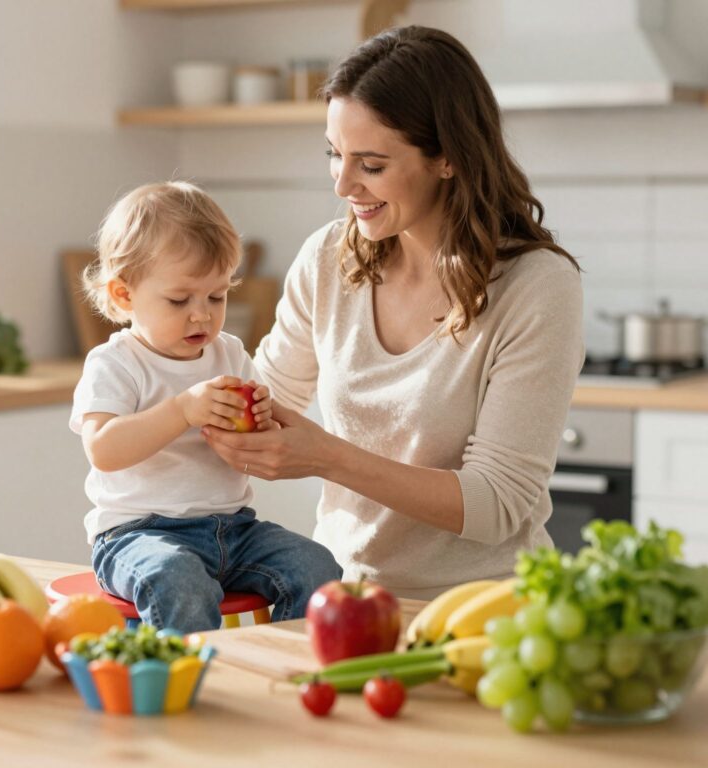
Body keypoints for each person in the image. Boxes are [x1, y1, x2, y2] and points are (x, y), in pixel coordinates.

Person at [202, 26, 584, 600]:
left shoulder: (536, 286)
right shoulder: (329, 259)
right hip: (339, 598)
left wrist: (327, 457)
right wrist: (152, 390)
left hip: (485, 611)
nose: (343, 183)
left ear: (448, 158)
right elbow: (263, 396)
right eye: (335, 154)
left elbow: (496, 504)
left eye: (372, 165)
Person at [70, 181, 343, 633]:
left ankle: (280, 670)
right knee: (177, 578)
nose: (202, 314)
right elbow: (103, 449)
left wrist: (258, 418)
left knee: (316, 565)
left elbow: (255, 445)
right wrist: (182, 410)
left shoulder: (230, 353)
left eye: (217, 296)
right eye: (180, 300)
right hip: (137, 535)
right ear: (124, 296)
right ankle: (195, 684)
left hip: (233, 530)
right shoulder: (116, 363)